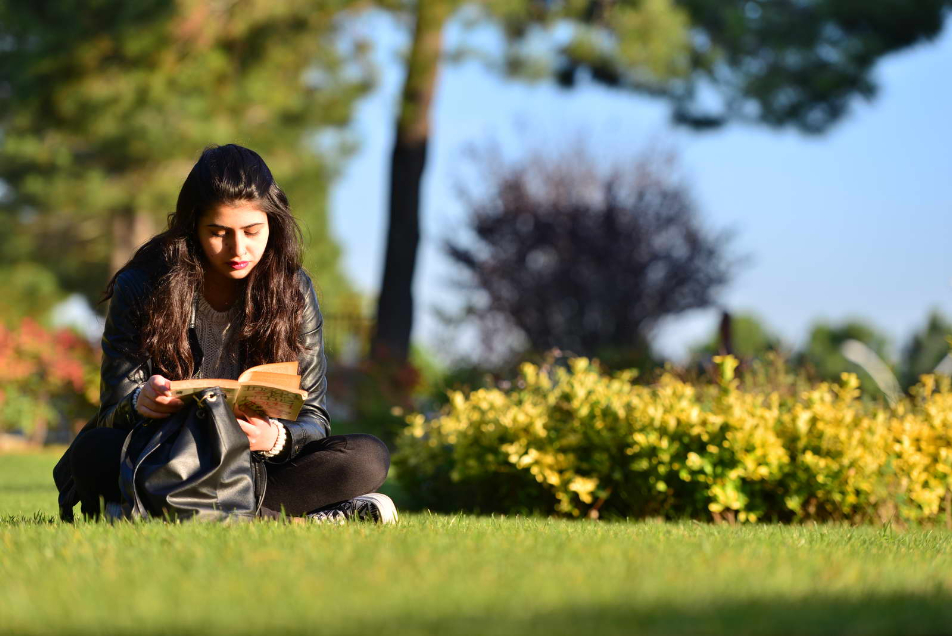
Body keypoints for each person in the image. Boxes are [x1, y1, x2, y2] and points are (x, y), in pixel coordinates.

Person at [55, 144, 396, 523]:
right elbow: (111, 409)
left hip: (254, 465)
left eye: (252, 231)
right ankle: (291, 520)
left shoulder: (294, 290)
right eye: (219, 233)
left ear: (273, 223)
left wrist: (275, 439)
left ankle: (154, 510)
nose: (238, 249)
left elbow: (313, 416)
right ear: (193, 229)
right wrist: (138, 402)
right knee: (91, 452)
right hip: (168, 455)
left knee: (368, 457)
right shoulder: (143, 285)